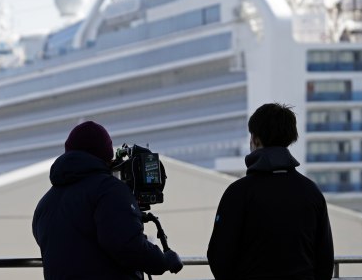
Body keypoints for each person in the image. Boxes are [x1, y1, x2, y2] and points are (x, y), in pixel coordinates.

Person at [32, 120, 183, 279]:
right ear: (105, 155)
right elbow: (127, 245)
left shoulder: (44, 204)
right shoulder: (109, 189)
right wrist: (164, 260)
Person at [207, 103, 334, 280]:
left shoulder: (238, 192)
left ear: (255, 139)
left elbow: (219, 258)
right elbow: (325, 261)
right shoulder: (311, 192)